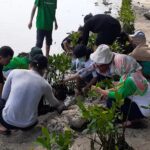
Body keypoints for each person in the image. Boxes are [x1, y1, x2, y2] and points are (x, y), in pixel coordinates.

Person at [0, 55, 62, 134]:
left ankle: (2, 127)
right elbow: (55, 103)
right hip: (29, 125)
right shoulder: (45, 84)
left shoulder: (14, 72)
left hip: (7, 122)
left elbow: (4, 97)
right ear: (44, 69)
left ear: (30, 65)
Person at [90, 44, 149, 126]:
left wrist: (101, 91)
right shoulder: (132, 74)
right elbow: (120, 88)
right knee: (110, 98)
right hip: (142, 102)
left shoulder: (130, 80)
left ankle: (133, 121)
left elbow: (118, 95)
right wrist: (106, 91)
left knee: (111, 101)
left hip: (144, 110)